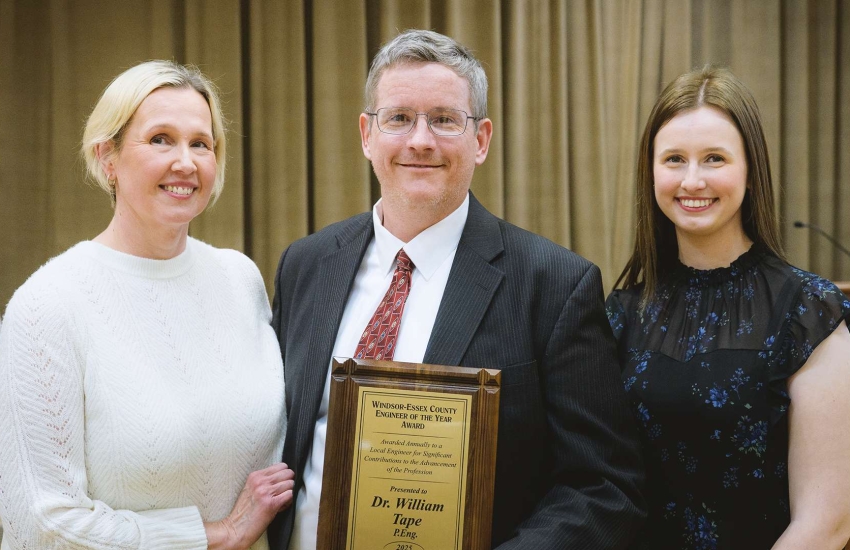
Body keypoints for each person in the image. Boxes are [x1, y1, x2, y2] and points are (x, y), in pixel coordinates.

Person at [268, 29, 645, 549]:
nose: (420, 140)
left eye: (445, 120)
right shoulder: (304, 266)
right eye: (399, 118)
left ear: (482, 139)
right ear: (366, 134)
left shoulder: (554, 284)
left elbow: (605, 485)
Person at [0, 60, 294, 550]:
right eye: (160, 139)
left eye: (201, 143)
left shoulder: (239, 278)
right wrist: (215, 536)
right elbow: (42, 524)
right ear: (106, 157)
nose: (186, 161)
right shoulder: (48, 305)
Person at [606, 66, 850, 549]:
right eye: (674, 159)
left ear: (751, 171)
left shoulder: (808, 312)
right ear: (650, 173)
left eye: (714, 158)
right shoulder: (620, 313)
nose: (692, 180)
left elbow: (829, 523)